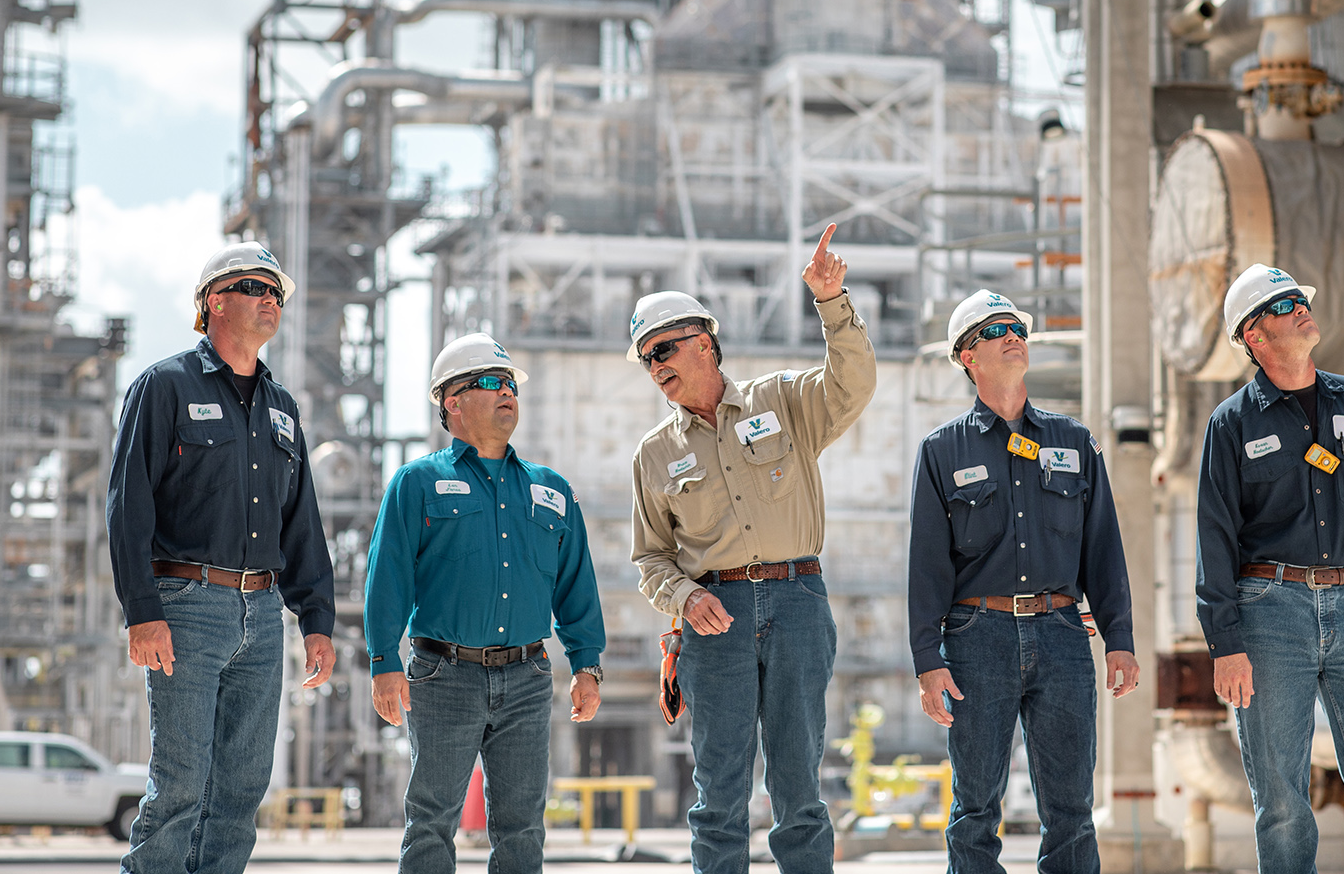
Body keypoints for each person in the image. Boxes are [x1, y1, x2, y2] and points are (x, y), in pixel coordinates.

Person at [628, 223, 875, 874]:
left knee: (798, 790)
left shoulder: (784, 400)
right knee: (719, 796)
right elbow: (650, 557)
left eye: (663, 349)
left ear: (703, 342)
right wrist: (685, 595)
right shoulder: (655, 453)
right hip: (716, 618)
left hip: (798, 600)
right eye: (646, 359)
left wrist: (831, 300)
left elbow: (852, 385)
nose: (656, 367)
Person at [1195, 263, 1344, 874]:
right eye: (1283, 306)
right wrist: (1225, 643)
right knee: (1281, 800)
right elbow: (1215, 542)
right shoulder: (1232, 424)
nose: (1301, 307)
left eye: (1298, 299)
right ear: (1254, 335)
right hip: (1266, 613)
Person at [106, 242, 337, 874]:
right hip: (186, 608)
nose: (272, 301)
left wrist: (316, 620)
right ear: (215, 302)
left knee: (240, 789)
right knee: (179, 784)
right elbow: (129, 507)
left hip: (262, 616)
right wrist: (141, 611)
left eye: (277, 294)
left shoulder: (283, 409)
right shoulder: (165, 386)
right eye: (257, 288)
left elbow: (302, 524)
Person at [907, 289, 1139, 874]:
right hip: (975, 638)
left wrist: (1120, 639)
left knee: (1071, 809)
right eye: (995, 330)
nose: (1013, 335)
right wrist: (926, 659)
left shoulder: (1074, 442)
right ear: (966, 357)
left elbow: (1103, 549)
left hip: (1062, 633)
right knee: (977, 807)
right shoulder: (941, 450)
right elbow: (927, 564)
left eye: (1017, 327)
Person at [366, 333, 605, 874]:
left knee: (523, 827)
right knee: (431, 821)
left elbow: (576, 587)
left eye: (512, 385)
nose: (508, 393)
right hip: (443, 676)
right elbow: (388, 578)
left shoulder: (553, 491)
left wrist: (587, 664)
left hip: (527, 677)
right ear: (452, 401)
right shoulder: (418, 482)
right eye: (492, 383)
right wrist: (383, 661)